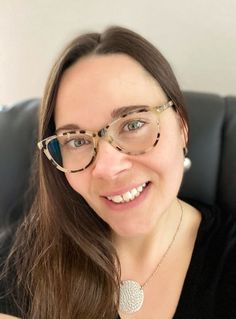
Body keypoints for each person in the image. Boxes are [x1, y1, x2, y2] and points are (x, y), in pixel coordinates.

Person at [0, 26, 235, 319]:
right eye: (76, 141)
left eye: (133, 125)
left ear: (182, 128)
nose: (107, 169)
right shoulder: (23, 257)